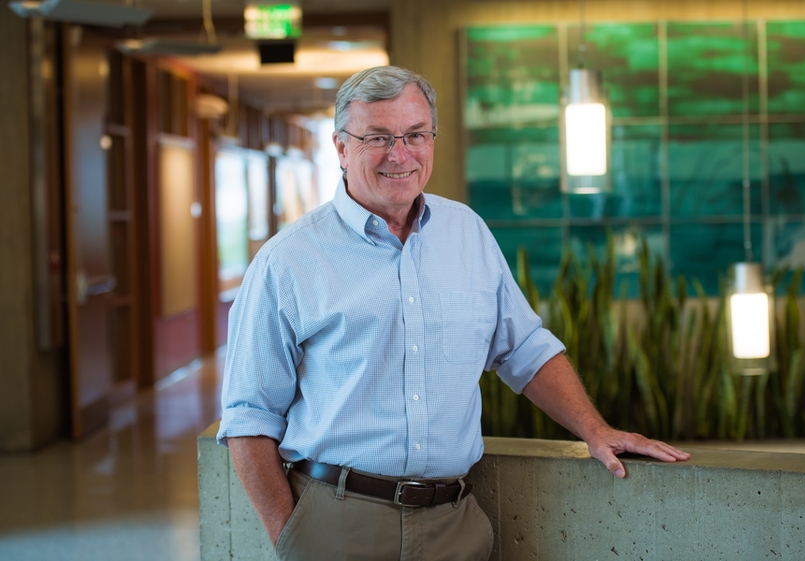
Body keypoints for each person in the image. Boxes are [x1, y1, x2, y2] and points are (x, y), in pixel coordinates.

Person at [217, 65, 690, 560]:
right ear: (340, 147)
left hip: (454, 523)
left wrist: (597, 430)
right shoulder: (287, 259)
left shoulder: (467, 232)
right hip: (337, 524)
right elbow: (249, 415)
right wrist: (292, 538)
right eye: (377, 137)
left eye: (415, 135)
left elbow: (524, 348)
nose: (400, 155)